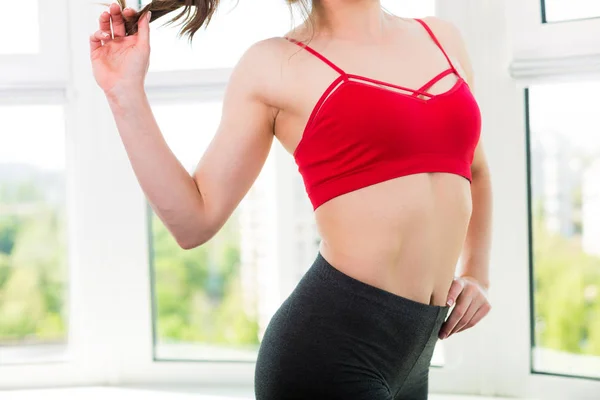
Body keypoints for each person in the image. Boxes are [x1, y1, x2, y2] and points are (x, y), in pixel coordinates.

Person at [90, 1, 492, 399]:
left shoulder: (442, 38)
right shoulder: (274, 64)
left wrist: (476, 272)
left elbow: (474, 170)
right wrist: (125, 93)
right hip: (330, 354)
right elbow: (194, 221)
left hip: (414, 353)